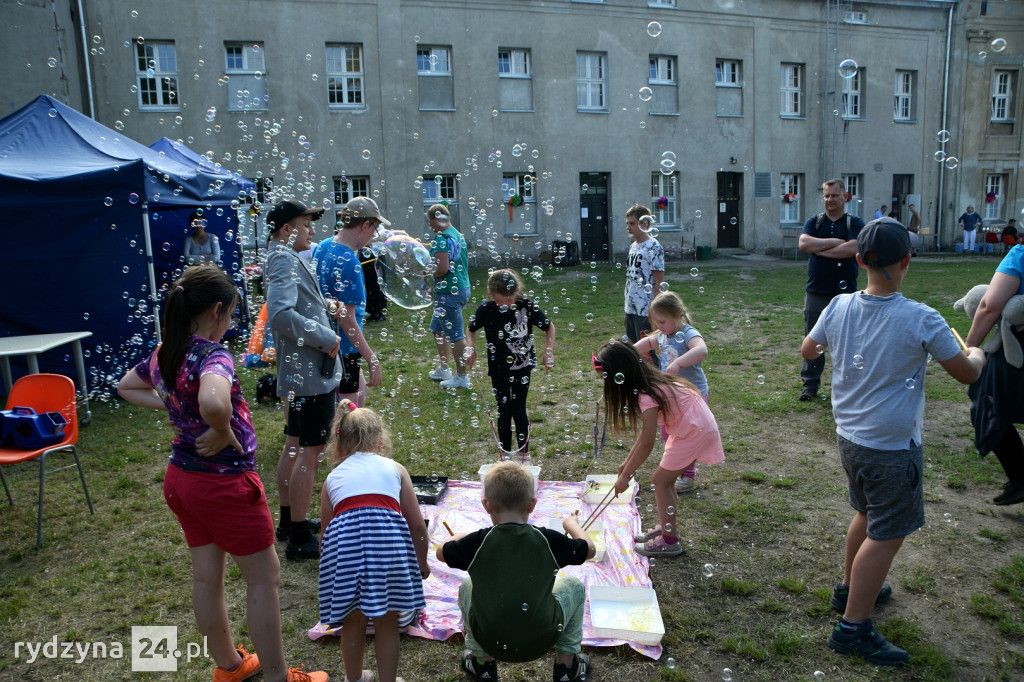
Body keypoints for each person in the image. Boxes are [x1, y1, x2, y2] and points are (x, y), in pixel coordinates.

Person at [116, 265, 328, 682]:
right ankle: (279, 677)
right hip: (224, 486)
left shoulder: (165, 350)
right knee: (264, 579)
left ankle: (229, 665)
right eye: (230, 314)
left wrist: (178, 406)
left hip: (182, 480)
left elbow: (127, 386)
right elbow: (214, 402)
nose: (231, 322)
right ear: (216, 311)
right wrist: (220, 427)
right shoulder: (213, 355)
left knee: (206, 577)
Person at [801, 218, 986, 666]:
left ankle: (850, 589)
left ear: (859, 260)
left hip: (850, 438)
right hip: (891, 447)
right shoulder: (922, 317)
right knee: (887, 533)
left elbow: (808, 350)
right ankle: (853, 627)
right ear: (907, 260)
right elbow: (966, 373)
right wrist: (978, 354)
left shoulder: (839, 305)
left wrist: (836, 344)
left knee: (866, 514)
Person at [436, 461, 594, 682]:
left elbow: (440, 553)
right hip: (543, 639)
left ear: (486, 505)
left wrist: (457, 537)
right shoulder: (548, 540)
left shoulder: (477, 542)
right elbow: (590, 550)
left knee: (467, 586)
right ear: (532, 504)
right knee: (575, 586)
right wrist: (571, 524)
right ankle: (566, 666)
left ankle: (481, 663)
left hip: (489, 639)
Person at [318, 400, 429, 682]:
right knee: (388, 621)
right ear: (380, 439)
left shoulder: (332, 478)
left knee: (352, 620)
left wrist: (331, 571)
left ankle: (354, 679)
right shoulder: (395, 468)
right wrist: (422, 563)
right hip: (387, 548)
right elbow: (417, 526)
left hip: (345, 551)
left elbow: (326, 533)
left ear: (340, 441)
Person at [594, 341, 724, 557]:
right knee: (665, 481)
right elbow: (643, 437)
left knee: (660, 481)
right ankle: (667, 529)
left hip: (694, 429)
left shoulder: (646, 395)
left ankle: (669, 541)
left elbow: (648, 442)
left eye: (604, 378)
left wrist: (625, 476)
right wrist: (626, 464)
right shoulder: (648, 385)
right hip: (689, 426)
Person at [265, 199, 342, 561]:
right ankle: (298, 536)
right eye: (306, 224)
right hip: (309, 376)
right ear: (286, 229)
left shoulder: (284, 256)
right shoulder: (283, 258)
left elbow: (295, 306)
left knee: (294, 444)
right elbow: (281, 316)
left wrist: (325, 309)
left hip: (300, 374)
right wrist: (325, 336)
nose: (312, 230)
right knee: (309, 452)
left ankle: (288, 520)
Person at [466, 269, 556, 456]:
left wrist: (548, 351)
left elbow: (549, 327)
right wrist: (470, 348)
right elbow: (471, 329)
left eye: (510, 299)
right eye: (502, 300)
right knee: (503, 409)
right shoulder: (486, 309)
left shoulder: (526, 305)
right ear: (491, 294)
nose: (507, 304)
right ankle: (505, 455)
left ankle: (524, 456)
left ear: (517, 292)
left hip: (522, 367)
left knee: (519, 408)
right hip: (498, 367)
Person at [633, 290, 709, 495]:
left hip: (692, 396)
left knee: (687, 437)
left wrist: (678, 363)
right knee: (669, 435)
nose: (658, 326)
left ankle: (688, 476)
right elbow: (649, 342)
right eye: (656, 322)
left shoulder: (688, 333)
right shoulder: (663, 334)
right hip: (673, 394)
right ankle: (676, 470)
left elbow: (702, 350)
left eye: (662, 322)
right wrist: (630, 351)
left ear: (677, 315)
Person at [314, 197, 387, 406]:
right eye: (374, 229)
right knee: (348, 413)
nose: (373, 235)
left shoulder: (323, 246)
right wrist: (371, 358)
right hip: (344, 348)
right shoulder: (350, 261)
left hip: (325, 341)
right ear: (365, 225)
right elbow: (347, 319)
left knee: (360, 395)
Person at [966, 243, 1024, 505]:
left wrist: (969, 347)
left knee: (987, 403)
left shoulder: (1020, 255)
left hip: (1017, 350)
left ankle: (1020, 477)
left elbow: (990, 305)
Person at [797, 179, 865, 402]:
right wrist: (835, 242)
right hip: (816, 292)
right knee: (813, 340)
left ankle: (848, 384)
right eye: (826, 196)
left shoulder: (854, 223)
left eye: (835, 195)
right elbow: (804, 244)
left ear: (845, 196)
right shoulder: (815, 222)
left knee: (847, 341)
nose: (830, 200)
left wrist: (820, 250)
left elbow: (854, 248)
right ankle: (810, 385)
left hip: (845, 295)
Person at [425, 204, 472, 389]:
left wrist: (426, 272)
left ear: (436, 219)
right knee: (438, 329)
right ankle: (445, 369)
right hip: (461, 287)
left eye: (430, 222)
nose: (430, 226)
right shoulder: (457, 235)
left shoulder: (441, 238)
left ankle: (462, 377)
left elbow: (442, 269)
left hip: (449, 292)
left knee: (456, 335)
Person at [623, 204, 665, 343]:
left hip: (645, 309)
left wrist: (656, 310)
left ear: (644, 224)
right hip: (630, 306)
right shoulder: (633, 246)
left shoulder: (653, 246)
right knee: (632, 348)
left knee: (647, 350)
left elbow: (659, 282)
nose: (628, 227)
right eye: (627, 223)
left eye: (632, 223)